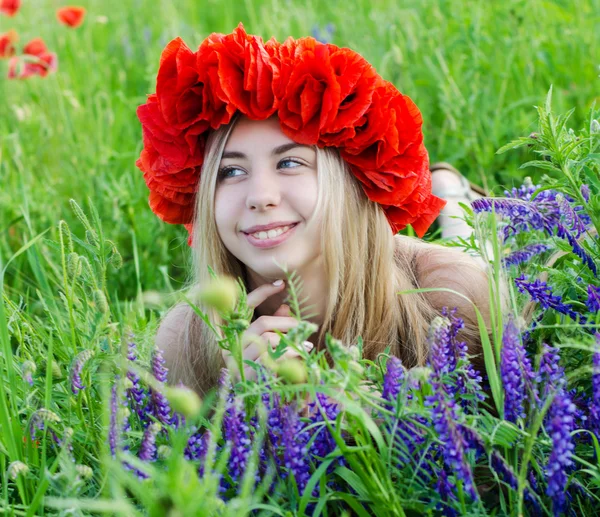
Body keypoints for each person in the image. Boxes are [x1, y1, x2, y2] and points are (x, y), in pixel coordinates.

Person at [138, 24, 494, 397]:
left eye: (290, 163)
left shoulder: (455, 302)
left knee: (472, 244)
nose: (260, 197)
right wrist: (254, 411)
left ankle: (451, 199)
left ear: (349, 182)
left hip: (444, 267)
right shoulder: (183, 343)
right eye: (231, 171)